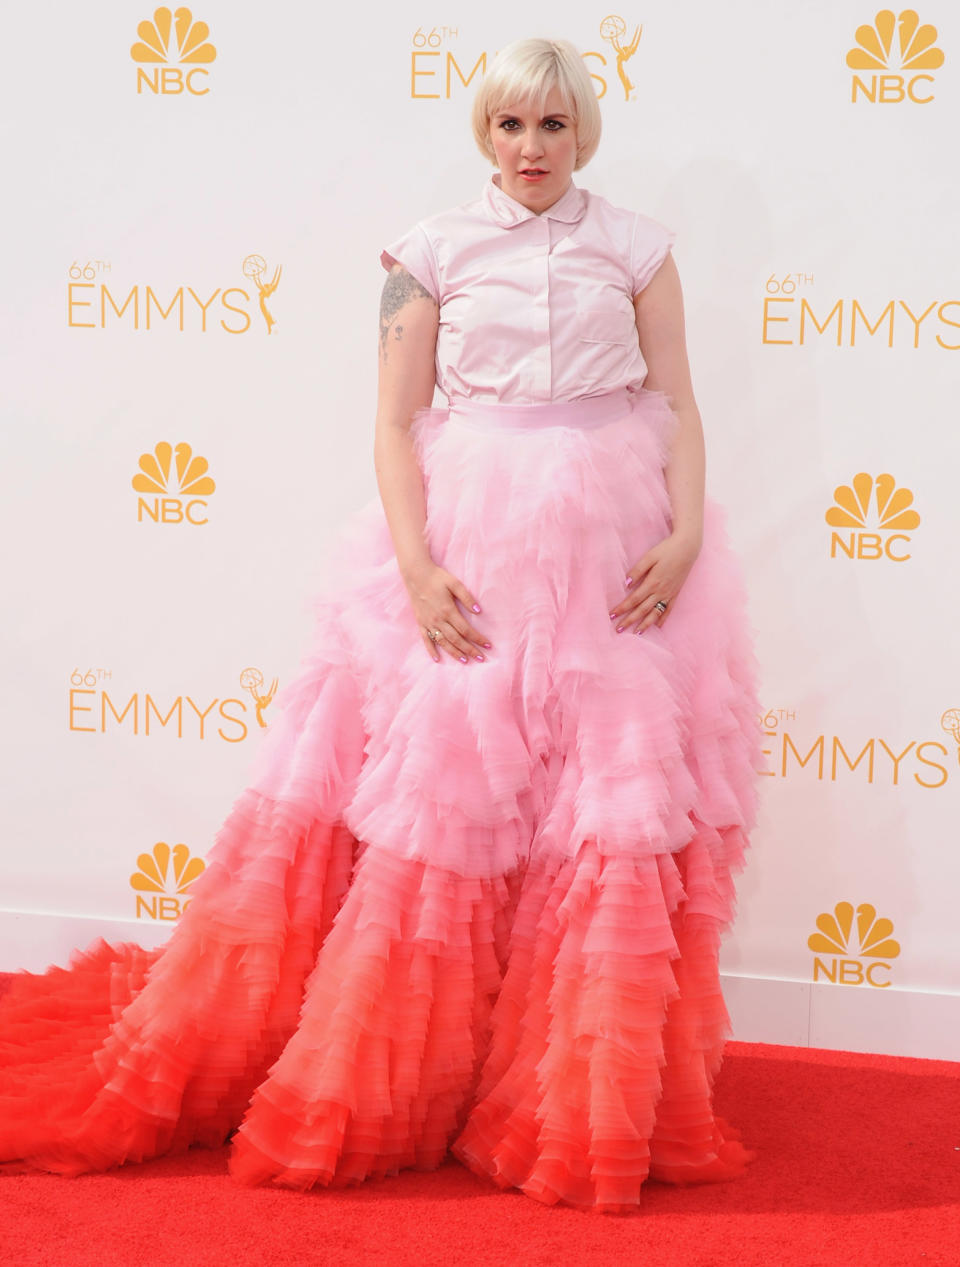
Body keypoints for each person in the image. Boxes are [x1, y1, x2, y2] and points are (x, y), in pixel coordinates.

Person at [0, 37, 759, 1212]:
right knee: (449, 792)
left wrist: (686, 534)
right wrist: (415, 566)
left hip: (619, 541)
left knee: (597, 804)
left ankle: (560, 1083)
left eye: (553, 127)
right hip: (472, 533)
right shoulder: (427, 253)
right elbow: (394, 424)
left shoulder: (637, 247)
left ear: (583, 134)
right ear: (483, 133)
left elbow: (680, 402)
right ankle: (412, 1080)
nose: (531, 150)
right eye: (511, 127)